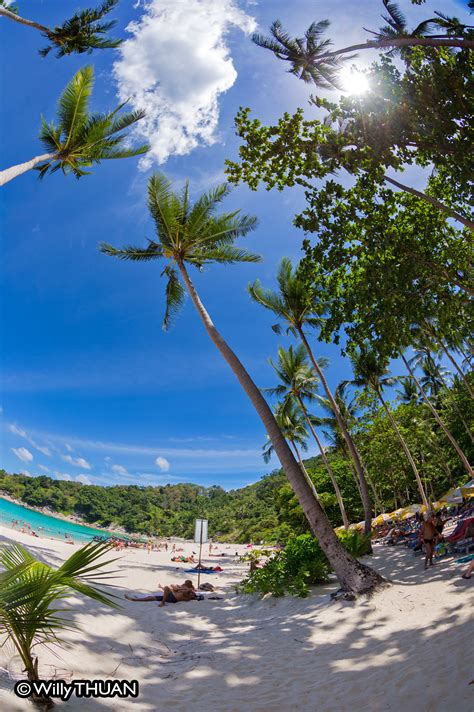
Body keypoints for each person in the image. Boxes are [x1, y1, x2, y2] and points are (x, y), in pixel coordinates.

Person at [125, 580, 196, 606]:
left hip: (173, 599)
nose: (184, 584)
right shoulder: (185, 589)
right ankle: (134, 600)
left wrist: (187, 590)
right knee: (151, 598)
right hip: (171, 596)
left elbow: (191, 594)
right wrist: (182, 589)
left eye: (186, 583)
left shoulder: (189, 593)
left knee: (167, 588)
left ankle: (163, 602)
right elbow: (176, 588)